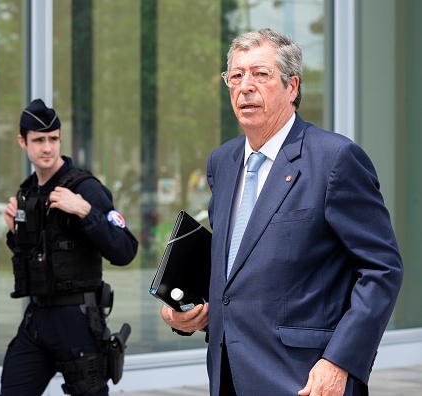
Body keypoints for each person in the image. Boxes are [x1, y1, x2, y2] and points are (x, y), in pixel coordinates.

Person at [160, 28, 404, 396]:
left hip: (305, 379)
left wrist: (340, 362)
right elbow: (236, 273)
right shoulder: (222, 162)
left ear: (292, 86)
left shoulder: (335, 159)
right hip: (227, 375)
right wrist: (186, 313)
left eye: (261, 74)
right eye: (236, 76)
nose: (245, 87)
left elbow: (381, 270)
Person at [0, 99, 138, 396]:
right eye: (38, 140)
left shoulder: (86, 188)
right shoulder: (27, 191)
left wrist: (86, 212)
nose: (47, 148)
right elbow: (35, 259)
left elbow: (126, 250)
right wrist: (15, 232)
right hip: (38, 320)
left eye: (53, 139)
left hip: (77, 322)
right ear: (22, 142)